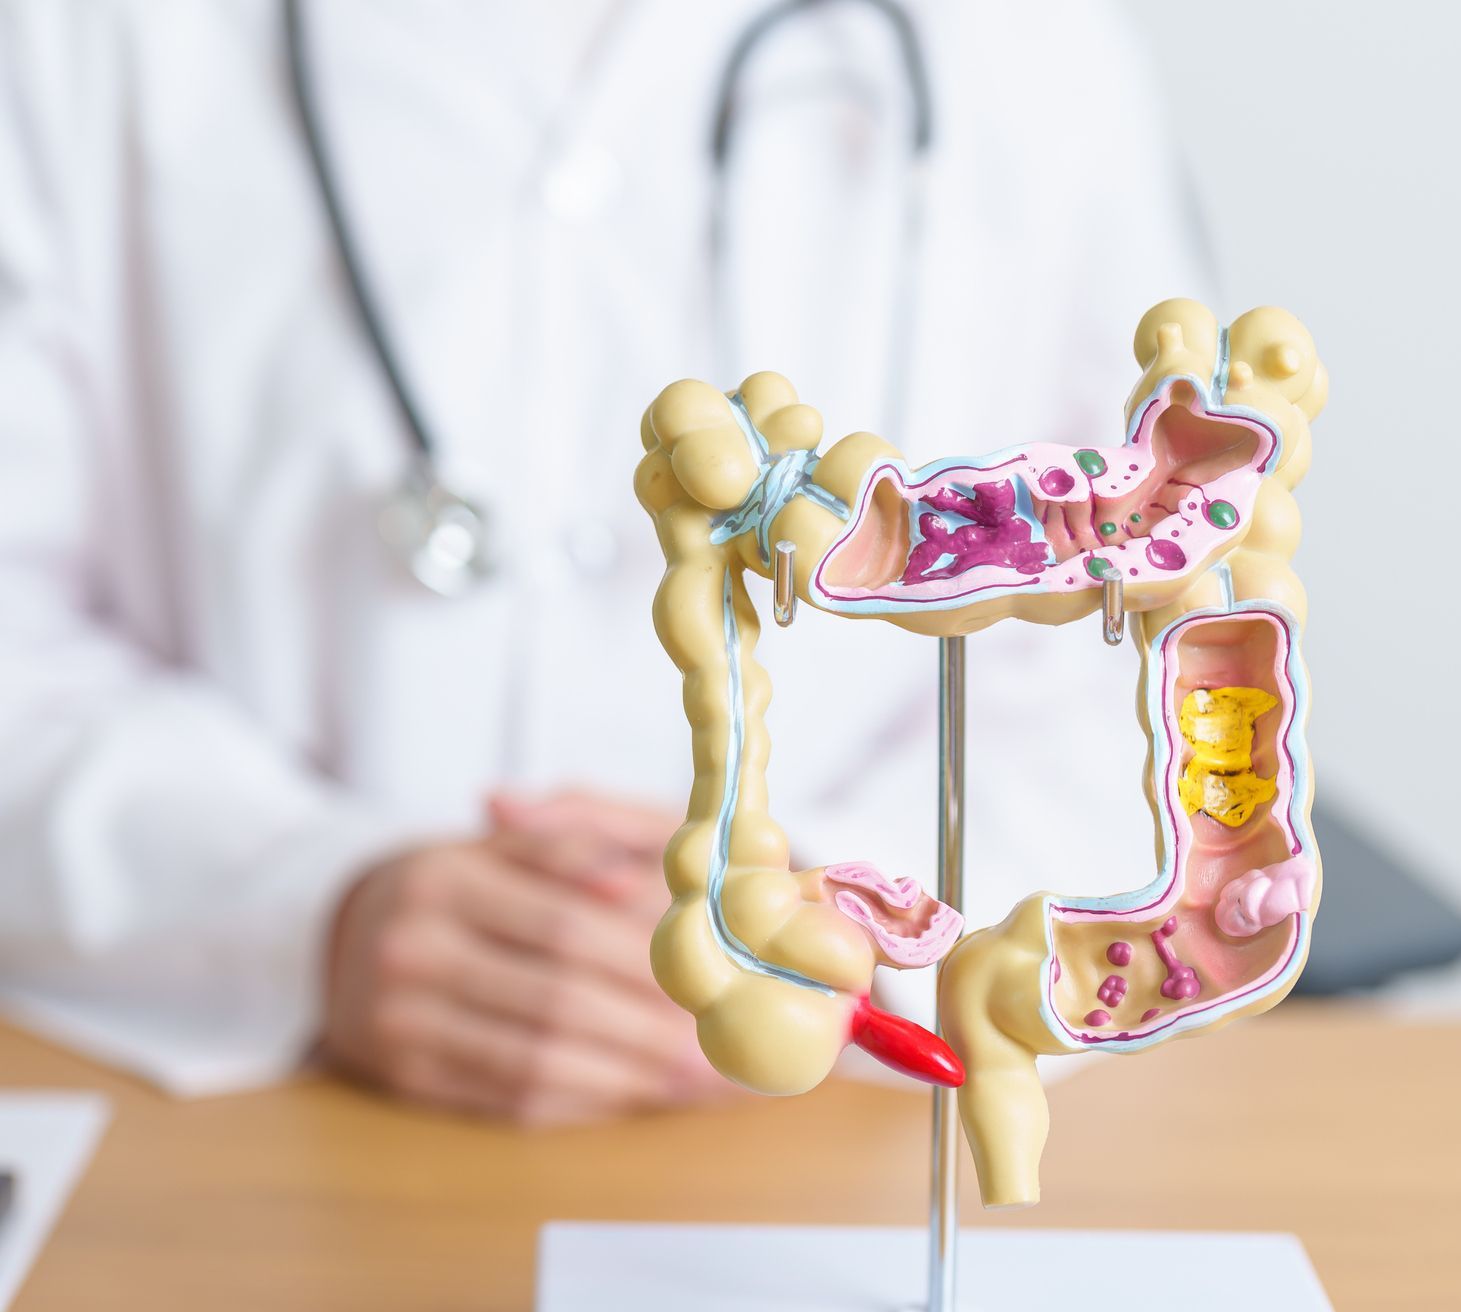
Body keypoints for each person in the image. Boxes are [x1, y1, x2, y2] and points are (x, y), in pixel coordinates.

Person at [0, 0, 1206, 1121]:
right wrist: (296, 902)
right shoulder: (85, 35)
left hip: (853, 1135)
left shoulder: (1030, 46)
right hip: (248, 1131)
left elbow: (1167, 641)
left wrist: (838, 916)